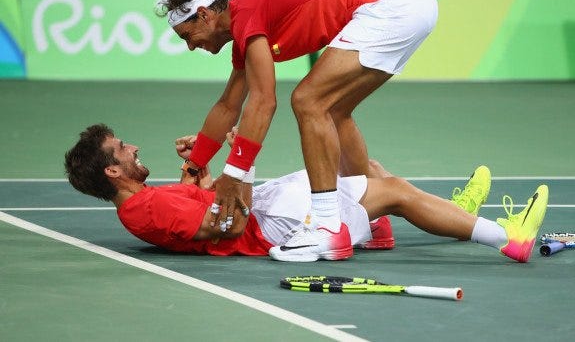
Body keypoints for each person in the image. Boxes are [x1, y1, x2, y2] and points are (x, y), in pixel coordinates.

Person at [155, 0, 440, 262]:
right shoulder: (244, 23)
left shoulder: (246, 13)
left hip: (392, 3)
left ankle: (327, 226)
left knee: (309, 100)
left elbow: (264, 102)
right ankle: (371, 219)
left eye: (187, 36)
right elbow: (228, 106)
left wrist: (234, 174)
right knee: (335, 111)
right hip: (406, 0)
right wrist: (194, 165)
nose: (189, 46)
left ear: (204, 15)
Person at [64, 124, 549, 263]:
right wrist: (242, 163)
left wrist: (202, 169)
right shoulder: (147, 209)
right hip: (271, 228)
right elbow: (230, 224)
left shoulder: (147, 201)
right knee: (393, 191)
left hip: (266, 208)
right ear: (112, 170)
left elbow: (206, 205)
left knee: (361, 164)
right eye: (122, 148)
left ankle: (449, 216)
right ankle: (509, 238)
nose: (133, 146)